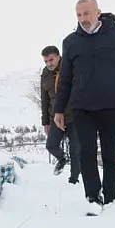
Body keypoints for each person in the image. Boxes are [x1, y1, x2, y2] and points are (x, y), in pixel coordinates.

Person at [53, 0, 115, 215]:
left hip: (111, 105)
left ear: (98, 12)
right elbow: (65, 79)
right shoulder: (70, 42)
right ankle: (93, 198)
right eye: (79, 15)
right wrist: (58, 109)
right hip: (82, 107)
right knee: (86, 153)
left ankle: (110, 197)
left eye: (86, 13)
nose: (82, 18)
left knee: (110, 154)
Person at [40, 45, 80, 184]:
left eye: (51, 60)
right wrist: (45, 122)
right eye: (46, 61)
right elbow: (44, 99)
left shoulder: (71, 67)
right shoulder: (45, 74)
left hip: (74, 116)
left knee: (75, 150)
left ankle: (74, 180)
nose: (49, 64)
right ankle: (62, 159)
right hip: (55, 118)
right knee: (51, 145)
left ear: (59, 57)